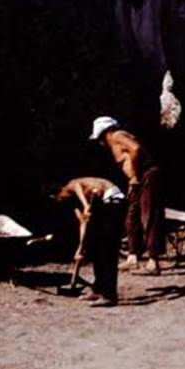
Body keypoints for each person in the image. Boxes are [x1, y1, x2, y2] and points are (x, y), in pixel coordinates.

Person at [90, 116, 164, 275]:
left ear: (105, 132)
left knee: (148, 215)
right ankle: (133, 256)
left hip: (146, 175)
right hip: (136, 180)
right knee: (132, 215)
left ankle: (153, 261)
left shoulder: (117, 135)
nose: (100, 142)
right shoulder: (114, 141)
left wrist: (135, 175)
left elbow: (135, 149)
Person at [53, 177, 124, 306]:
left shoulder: (72, 185)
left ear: (60, 191)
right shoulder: (73, 203)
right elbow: (83, 225)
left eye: (58, 197)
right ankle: (98, 289)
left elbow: (79, 188)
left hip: (113, 198)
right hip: (102, 204)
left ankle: (109, 295)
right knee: (97, 247)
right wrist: (80, 248)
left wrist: (86, 206)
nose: (60, 200)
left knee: (107, 248)